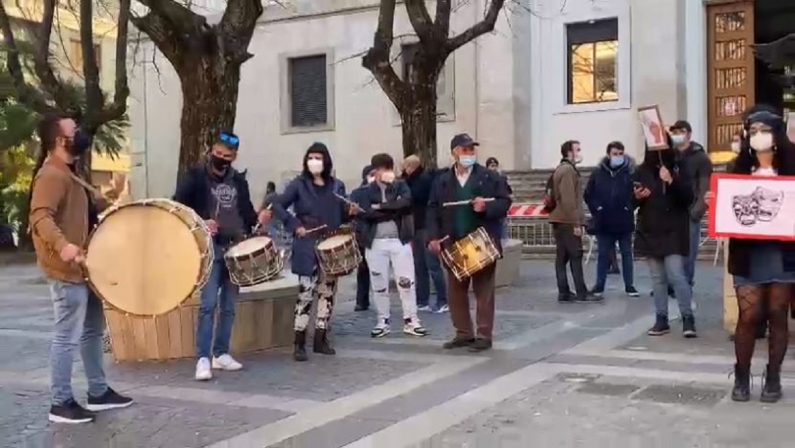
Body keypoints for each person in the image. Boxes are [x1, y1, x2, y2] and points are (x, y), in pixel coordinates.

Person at [29, 114, 133, 423]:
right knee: (66, 336)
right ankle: (60, 402)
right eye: (74, 130)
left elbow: (76, 214)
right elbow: (40, 217)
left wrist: (103, 201)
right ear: (61, 140)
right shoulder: (51, 175)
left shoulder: (71, 172)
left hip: (86, 268)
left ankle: (98, 392)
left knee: (91, 330)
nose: (81, 133)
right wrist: (63, 246)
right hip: (65, 270)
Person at [174, 131, 261, 381]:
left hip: (235, 248)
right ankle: (203, 358)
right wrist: (202, 221)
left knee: (230, 306)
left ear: (234, 156)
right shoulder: (195, 177)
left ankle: (221, 353)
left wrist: (258, 223)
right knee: (208, 304)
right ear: (211, 150)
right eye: (218, 153)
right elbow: (178, 207)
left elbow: (247, 212)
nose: (221, 158)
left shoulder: (238, 181)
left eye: (227, 155)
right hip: (209, 248)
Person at [264, 142, 358, 361]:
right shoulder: (298, 184)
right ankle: (299, 343)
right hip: (307, 242)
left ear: (326, 161)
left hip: (330, 241)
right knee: (306, 292)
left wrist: (350, 212)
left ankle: (321, 338)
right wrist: (295, 224)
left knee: (328, 292)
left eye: (319, 157)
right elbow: (276, 204)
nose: (314, 162)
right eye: (311, 157)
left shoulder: (337, 186)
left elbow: (341, 213)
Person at [728, 106, 795, 403]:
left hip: (783, 252)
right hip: (749, 251)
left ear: (777, 133)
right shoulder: (737, 169)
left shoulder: (792, 167)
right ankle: (742, 374)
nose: (758, 136)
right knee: (749, 315)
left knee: (778, 314)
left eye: (764, 130)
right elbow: (728, 206)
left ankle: (773, 377)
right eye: (752, 131)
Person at [427, 134, 511, 352]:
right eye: (465, 150)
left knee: (484, 290)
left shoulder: (489, 177)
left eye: (472, 150)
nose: (470, 154)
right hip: (454, 240)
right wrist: (433, 237)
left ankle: (484, 335)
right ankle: (463, 333)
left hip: (481, 240)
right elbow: (433, 209)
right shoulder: (442, 180)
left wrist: (487, 208)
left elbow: (504, 202)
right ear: (455, 152)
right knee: (456, 291)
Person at [355, 153, 428, 337]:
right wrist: (390, 209)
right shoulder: (365, 191)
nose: (386, 172)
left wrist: (380, 207)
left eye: (388, 168)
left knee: (406, 281)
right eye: (382, 169)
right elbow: (366, 213)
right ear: (375, 171)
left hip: (399, 240)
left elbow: (405, 204)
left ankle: (411, 319)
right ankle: (383, 320)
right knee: (379, 283)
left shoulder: (400, 186)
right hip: (375, 242)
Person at [634, 135, 696, 338]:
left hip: (674, 230)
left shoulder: (679, 167)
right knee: (657, 279)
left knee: (677, 276)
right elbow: (630, 201)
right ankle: (661, 319)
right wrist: (636, 197)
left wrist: (671, 181)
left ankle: (688, 317)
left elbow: (688, 197)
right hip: (650, 230)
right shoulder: (641, 171)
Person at [584, 141, 639, 298]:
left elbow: (637, 194)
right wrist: (598, 208)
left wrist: (630, 206)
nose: (618, 157)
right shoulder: (598, 173)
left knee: (627, 254)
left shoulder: (630, 173)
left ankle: (630, 286)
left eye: (620, 154)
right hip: (604, 220)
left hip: (624, 220)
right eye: (615, 154)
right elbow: (589, 194)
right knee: (602, 255)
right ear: (608, 154)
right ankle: (599, 286)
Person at [549, 140, 598, 303]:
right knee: (576, 255)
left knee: (562, 257)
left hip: (559, 218)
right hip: (567, 220)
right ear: (569, 152)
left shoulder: (561, 169)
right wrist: (576, 223)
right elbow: (569, 199)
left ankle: (563, 291)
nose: (580, 152)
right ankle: (581, 291)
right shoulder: (568, 170)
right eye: (577, 149)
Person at [402, 155, 448, 313]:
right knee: (419, 265)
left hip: (427, 227)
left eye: (405, 167)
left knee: (432, 265)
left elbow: (414, 197)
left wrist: (404, 180)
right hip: (416, 226)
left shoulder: (423, 180)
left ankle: (442, 300)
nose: (403, 170)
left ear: (410, 166)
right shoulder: (413, 180)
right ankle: (422, 300)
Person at [670, 120, 712, 289]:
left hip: (689, 211)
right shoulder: (670, 156)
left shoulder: (700, 158)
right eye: (674, 132)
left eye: (680, 131)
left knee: (688, 252)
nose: (677, 135)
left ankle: (685, 284)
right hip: (670, 211)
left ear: (688, 133)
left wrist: (697, 211)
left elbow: (705, 187)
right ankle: (671, 284)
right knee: (670, 251)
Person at [350, 165, 375, 312]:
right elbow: (351, 211)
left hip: (371, 231)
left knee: (370, 269)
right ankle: (361, 300)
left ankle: (364, 301)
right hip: (363, 232)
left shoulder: (380, 190)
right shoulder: (358, 192)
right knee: (364, 268)